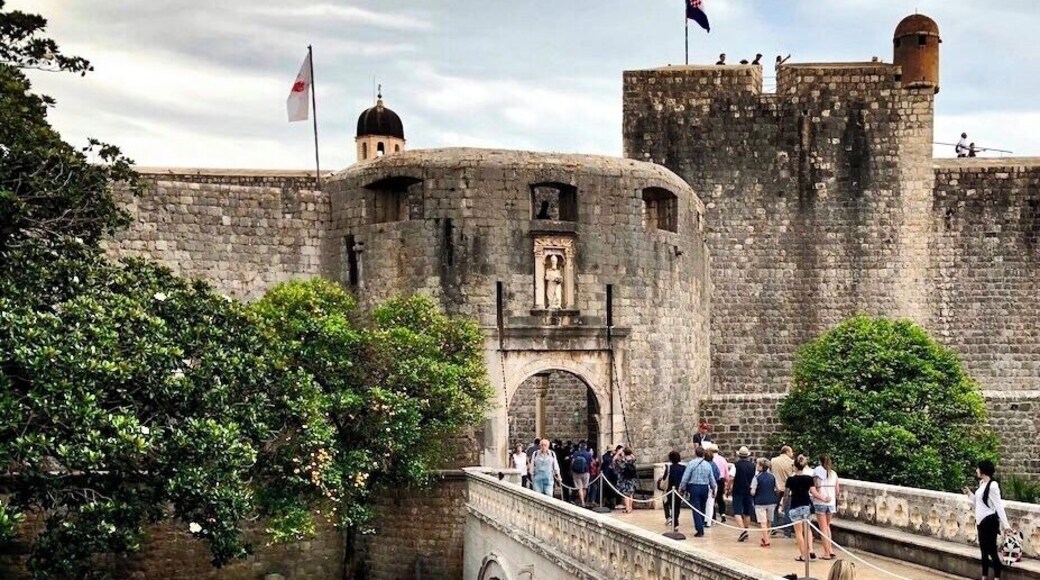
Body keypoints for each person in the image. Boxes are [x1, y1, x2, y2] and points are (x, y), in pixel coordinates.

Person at [962, 459, 1012, 580]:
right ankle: (984, 576)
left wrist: (1006, 526)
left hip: (989, 521)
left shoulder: (993, 486)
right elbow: (978, 502)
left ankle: (997, 576)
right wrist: (969, 494)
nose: (976, 471)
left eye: (978, 469)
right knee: (983, 551)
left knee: (992, 550)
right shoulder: (982, 484)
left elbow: (998, 506)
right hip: (980, 521)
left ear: (983, 471)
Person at [786, 454, 827, 563]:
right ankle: (811, 550)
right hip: (806, 505)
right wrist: (824, 498)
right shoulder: (808, 479)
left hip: (795, 505)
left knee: (798, 532)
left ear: (795, 467)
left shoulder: (790, 479)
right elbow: (814, 493)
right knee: (807, 529)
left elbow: (786, 494)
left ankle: (803, 555)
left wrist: (783, 503)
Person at [679, 446, 717, 537]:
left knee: (696, 508)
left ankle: (699, 529)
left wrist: (682, 488)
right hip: (704, 487)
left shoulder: (691, 463)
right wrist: (713, 489)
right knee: (702, 508)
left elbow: (685, 477)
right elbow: (711, 478)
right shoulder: (707, 465)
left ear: (695, 453)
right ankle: (701, 526)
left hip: (694, 487)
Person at [813, 454, 840, 560]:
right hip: (831, 503)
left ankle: (826, 552)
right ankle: (830, 549)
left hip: (820, 502)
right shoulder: (834, 473)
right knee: (827, 526)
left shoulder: (817, 471)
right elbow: (837, 490)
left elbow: (816, 486)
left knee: (823, 528)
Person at [730, 446, 757, 542]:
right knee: (747, 512)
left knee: (737, 511)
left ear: (739, 456)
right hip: (748, 491)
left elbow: (731, 478)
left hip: (738, 490)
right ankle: (746, 530)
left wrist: (728, 487)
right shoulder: (753, 466)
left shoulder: (735, 465)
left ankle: (742, 531)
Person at [751, 457, 778, 548]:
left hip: (760, 502)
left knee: (763, 522)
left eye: (758, 464)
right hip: (771, 501)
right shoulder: (772, 476)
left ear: (761, 466)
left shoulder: (756, 477)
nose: (756, 466)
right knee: (769, 521)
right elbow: (777, 488)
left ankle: (766, 541)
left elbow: (753, 491)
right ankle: (766, 537)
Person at [771, 446, 796, 538]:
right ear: (787, 452)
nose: (792, 454)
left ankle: (773, 527)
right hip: (788, 488)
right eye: (791, 452)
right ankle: (787, 531)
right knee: (787, 510)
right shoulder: (792, 463)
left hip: (776, 487)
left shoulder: (773, 461)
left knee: (774, 508)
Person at [661, 450, 686, 529]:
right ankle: (676, 521)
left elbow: (664, 479)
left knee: (670, 505)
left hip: (670, 489)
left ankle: (672, 520)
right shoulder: (683, 468)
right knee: (677, 507)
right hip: (679, 490)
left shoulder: (668, 468)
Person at [707, 442, 730, 524]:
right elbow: (726, 472)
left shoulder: (709, 459)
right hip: (721, 480)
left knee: (711, 498)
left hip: (712, 480)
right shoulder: (723, 459)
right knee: (720, 498)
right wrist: (727, 481)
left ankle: (713, 517)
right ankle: (722, 513)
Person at [613, 447, 638, 513]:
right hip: (632, 478)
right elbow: (634, 457)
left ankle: (627, 508)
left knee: (626, 494)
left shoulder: (622, 460)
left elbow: (614, 459)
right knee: (631, 493)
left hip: (624, 478)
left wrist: (618, 453)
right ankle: (630, 507)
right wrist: (630, 452)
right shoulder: (632, 459)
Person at [570, 441, 593, 507]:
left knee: (579, 487)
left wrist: (571, 470)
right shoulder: (588, 454)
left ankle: (582, 501)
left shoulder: (576, 453)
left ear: (580, 447)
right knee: (584, 488)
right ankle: (583, 502)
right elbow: (591, 463)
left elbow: (572, 462)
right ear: (585, 447)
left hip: (576, 472)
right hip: (586, 472)